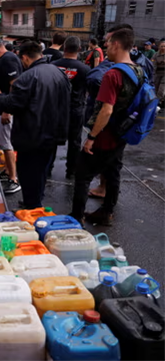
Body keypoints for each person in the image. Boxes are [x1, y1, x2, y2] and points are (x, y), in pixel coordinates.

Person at [71, 28, 142, 226]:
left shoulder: (112, 74)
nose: (106, 47)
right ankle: (107, 212)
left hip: (105, 134)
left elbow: (105, 110)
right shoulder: (138, 70)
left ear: (117, 44)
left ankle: (76, 217)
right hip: (123, 132)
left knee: (83, 175)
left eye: (108, 44)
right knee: (113, 171)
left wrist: (91, 137)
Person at [0, 40, 71, 209]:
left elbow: (12, 104)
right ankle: (34, 202)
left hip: (32, 134)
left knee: (29, 173)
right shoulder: (57, 72)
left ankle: (32, 207)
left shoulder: (27, 77)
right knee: (40, 171)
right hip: (53, 132)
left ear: (24, 58)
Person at [0, 35, 23, 194]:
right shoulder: (0, 61)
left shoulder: (9, 60)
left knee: (7, 145)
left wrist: (8, 110)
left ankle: (14, 179)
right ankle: (8, 171)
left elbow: (15, 84)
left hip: (7, 110)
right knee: (3, 142)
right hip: (0, 107)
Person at [52, 36, 91, 178]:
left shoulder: (53, 65)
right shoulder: (85, 69)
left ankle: (48, 168)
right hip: (76, 108)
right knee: (75, 141)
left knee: (51, 139)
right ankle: (71, 171)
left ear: (64, 47)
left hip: (55, 108)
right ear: (79, 49)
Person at [153, 40, 165, 109]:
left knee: (161, 89)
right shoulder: (156, 54)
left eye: (164, 46)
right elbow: (153, 63)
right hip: (157, 73)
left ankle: (158, 103)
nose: (163, 47)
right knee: (156, 87)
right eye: (161, 46)